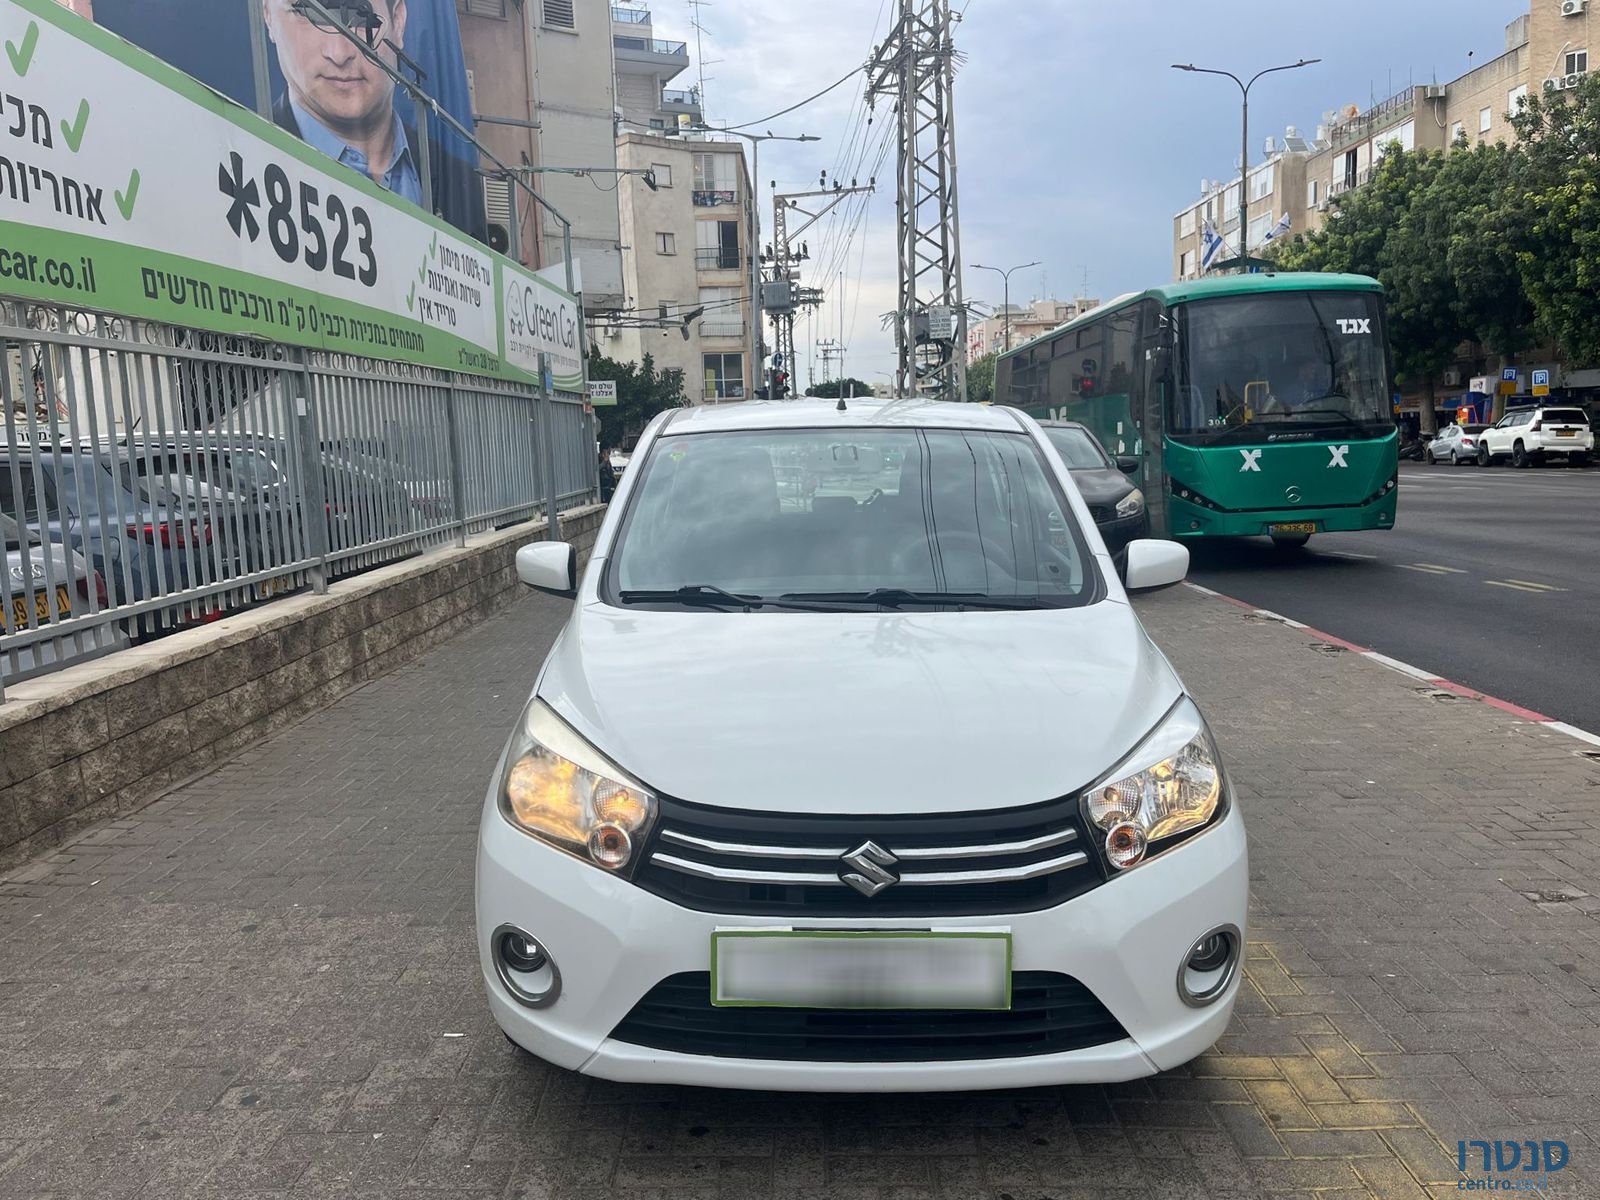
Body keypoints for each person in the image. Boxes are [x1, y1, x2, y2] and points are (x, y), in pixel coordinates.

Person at [264, 0, 424, 207]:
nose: (338, 53)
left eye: (361, 14)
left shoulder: (452, 176)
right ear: (268, 15)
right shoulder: (237, 167)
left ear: (398, 21)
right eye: (310, 12)